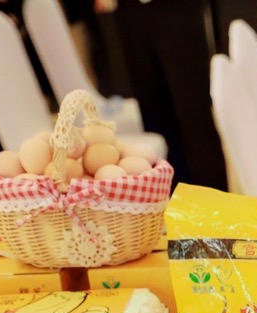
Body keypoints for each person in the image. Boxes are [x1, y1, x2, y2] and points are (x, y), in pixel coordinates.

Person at [95, 0, 227, 190]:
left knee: (193, 111)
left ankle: (213, 197)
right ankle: (172, 195)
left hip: (175, 8)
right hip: (129, 10)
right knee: (153, 112)